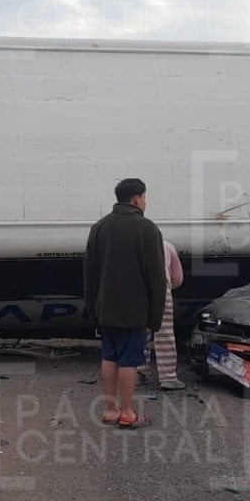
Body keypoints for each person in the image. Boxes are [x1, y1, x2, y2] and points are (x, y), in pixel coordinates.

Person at [84, 178, 166, 429]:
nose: (145, 201)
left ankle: (110, 410)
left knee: (109, 357)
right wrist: (156, 316)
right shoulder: (146, 229)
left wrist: (93, 308)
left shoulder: (99, 227)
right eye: (144, 197)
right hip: (134, 310)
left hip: (105, 309)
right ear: (135, 199)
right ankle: (128, 412)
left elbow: (90, 272)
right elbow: (156, 278)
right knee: (130, 361)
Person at [141, 240, 186, 390]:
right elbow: (178, 279)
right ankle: (168, 378)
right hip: (161, 289)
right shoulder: (167, 246)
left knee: (140, 332)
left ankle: (139, 372)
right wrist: (167, 288)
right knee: (165, 333)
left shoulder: (134, 245)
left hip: (139, 290)